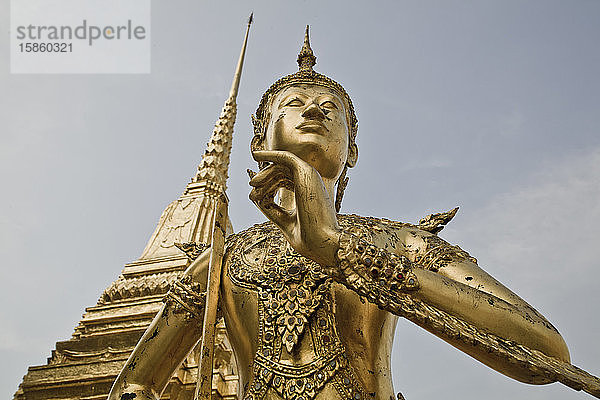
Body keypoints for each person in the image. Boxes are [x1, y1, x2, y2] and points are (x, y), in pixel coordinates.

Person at [108, 28, 575, 400]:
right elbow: (136, 383)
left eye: (331, 109)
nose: (313, 108)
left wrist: (341, 249)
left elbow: (546, 354)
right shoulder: (224, 260)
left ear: (351, 150)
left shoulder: (399, 243)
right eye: (294, 105)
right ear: (259, 144)